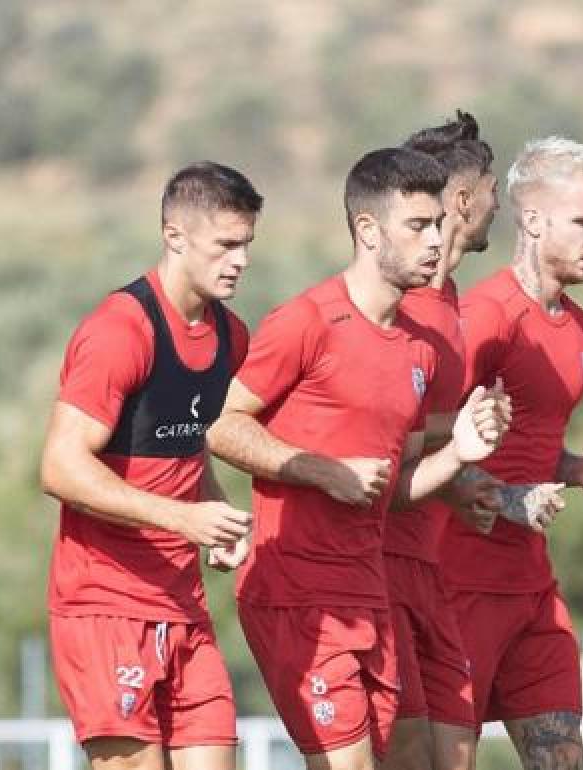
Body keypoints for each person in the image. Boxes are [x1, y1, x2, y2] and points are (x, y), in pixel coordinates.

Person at [207, 147, 506, 770]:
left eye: (436, 225)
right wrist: (323, 470)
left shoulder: (419, 351)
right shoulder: (306, 321)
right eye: (417, 227)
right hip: (297, 589)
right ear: (368, 231)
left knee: (407, 758)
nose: (434, 241)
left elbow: (395, 488)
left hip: (369, 593)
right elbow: (224, 426)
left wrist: (459, 456)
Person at [40, 162, 261, 770]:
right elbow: (59, 466)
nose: (239, 260)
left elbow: (187, 443)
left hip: (183, 605)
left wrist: (215, 515)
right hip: (104, 607)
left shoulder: (230, 336)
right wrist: (181, 519)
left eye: (246, 244)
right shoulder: (120, 330)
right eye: (225, 244)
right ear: (175, 237)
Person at [440, 137, 583, 770]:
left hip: (530, 589)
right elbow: (423, 434)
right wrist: (505, 497)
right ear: (532, 219)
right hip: (453, 581)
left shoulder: (580, 330)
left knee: (564, 758)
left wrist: (573, 467)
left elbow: (527, 444)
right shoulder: (486, 317)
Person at [384, 112, 563, 770]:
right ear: (464, 199)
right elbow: (381, 445)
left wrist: (478, 485)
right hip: (382, 571)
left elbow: (425, 442)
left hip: (427, 569)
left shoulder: (446, 302)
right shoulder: (403, 307)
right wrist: (467, 472)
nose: (501, 204)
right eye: (493, 188)